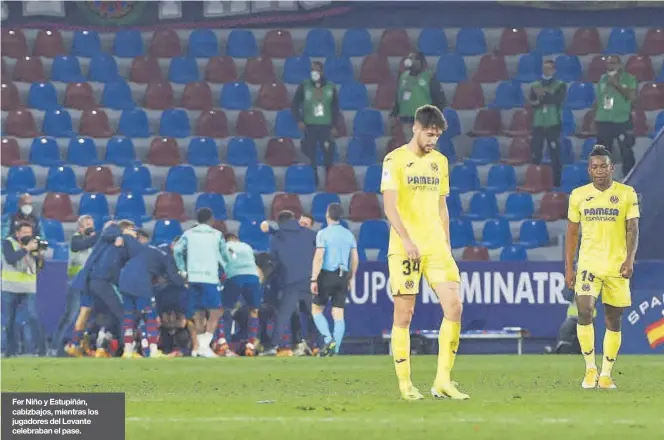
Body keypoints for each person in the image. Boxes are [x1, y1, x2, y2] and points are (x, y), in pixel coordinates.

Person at [381, 104, 468, 401]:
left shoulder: (440, 162)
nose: (433, 140)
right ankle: (405, 384)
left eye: (438, 136)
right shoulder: (395, 160)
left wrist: (446, 242)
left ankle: (443, 380)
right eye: (430, 134)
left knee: (454, 306)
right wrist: (406, 240)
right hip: (405, 247)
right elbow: (389, 207)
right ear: (416, 128)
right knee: (404, 315)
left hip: (435, 246)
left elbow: (442, 207)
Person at [564, 144, 640, 389]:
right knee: (584, 310)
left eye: (603, 166)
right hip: (588, 264)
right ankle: (590, 369)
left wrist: (629, 259)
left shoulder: (627, 193)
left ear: (612, 168)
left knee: (613, 319)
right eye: (595, 167)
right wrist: (569, 267)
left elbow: (633, 229)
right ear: (589, 169)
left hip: (616, 266)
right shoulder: (578, 195)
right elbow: (572, 233)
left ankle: (606, 374)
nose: (599, 171)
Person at [119, 230, 186, 358]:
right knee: (150, 316)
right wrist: (185, 283)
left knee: (129, 316)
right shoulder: (167, 257)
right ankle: (153, 351)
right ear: (173, 246)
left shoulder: (146, 248)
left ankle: (127, 351)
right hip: (141, 284)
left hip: (124, 282)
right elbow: (173, 277)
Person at [262, 210, 317, 356]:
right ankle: (324, 344)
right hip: (308, 279)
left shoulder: (277, 237)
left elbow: (274, 260)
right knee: (315, 315)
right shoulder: (310, 234)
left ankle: (273, 346)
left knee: (283, 316)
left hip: (289, 281)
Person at [174, 208, 226, 358]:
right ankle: (204, 345)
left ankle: (198, 348)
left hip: (193, 277)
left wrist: (183, 270)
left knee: (198, 312)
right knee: (216, 311)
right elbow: (223, 256)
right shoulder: (216, 234)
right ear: (211, 219)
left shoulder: (188, 234)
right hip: (209, 277)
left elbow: (177, 250)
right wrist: (227, 270)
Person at [87, 220, 142, 357]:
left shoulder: (115, 244)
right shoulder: (115, 236)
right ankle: (127, 350)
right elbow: (109, 230)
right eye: (133, 230)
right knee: (124, 314)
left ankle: (103, 347)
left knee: (109, 315)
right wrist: (122, 234)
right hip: (102, 282)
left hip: (98, 282)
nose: (135, 234)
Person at [310, 203, 359, 356]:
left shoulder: (323, 233)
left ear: (327, 215)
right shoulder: (348, 234)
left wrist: (313, 279)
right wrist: (351, 277)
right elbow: (355, 259)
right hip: (342, 275)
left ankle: (328, 339)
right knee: (338, 314)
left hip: (326, 275)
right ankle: (335, 350)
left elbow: (319, 257)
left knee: (317, 310)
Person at [49, 215, 98, 356]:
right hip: (76, 282)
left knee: (88, 316)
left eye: (91, 223)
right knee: (70, 315)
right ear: (80, 227)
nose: (90, 226)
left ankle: (83, 346)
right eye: (87, 224)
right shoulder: (76, 239)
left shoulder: (93, 242)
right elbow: (79, 246)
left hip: (90, 282)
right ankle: (54, 346)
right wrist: (99, 236)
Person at [291, 61, 340, 186]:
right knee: (310, 155)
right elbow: (295, 104)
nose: (314, 73)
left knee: (328, 155)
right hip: (310, 126)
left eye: (317, 70)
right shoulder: (304, 86)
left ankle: (330, 182)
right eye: (312, 70)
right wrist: (299, 120)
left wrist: (334, 125)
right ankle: (314, 181)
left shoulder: (330, 87)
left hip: (326, 126)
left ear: (322, 72)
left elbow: (335, 108)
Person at [1, 222, 47, 357]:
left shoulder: (35, 244)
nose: (28, 235)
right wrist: (27, 248)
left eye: (29, 232)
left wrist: (39, 254)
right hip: (10, 287)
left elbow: (40, 267)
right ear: (17, 233)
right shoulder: (8, 243)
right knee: (9, 321)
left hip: (28, 288)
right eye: (24, 233)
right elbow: (10, 258)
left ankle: (42, 350)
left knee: (33, 316)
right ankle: (11, 351)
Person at [594, 55, 638, 177]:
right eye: (608, 63)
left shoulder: (629, 79)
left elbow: (632, 97)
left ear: (620, 65)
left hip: (622, 120)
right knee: (602, 153)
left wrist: (616, 84)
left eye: (613, 63)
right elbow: (599, 100)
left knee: (626, 151)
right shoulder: (602, 79)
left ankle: (630, 178)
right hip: (604, 120)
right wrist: (593, 119)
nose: (611, 66)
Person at [221, 233, 262, 356]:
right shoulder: (247, 246)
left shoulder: (224, 246)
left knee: (224, 310)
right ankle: (251, 343)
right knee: (254, 311)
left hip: (234, 277)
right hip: (252, 278)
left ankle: (224, 343)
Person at [391, 52, 447, 141]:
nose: (413, 62)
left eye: (416, 59)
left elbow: (439, 98)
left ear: (421, 62)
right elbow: (399, 96)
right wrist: (394, 113)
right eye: (411, 59)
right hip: (407, 119)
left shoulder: (429, 77)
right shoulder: (403, 77)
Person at [528, 59, 567, 188]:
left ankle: (557, 183)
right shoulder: (535, 85)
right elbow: (533, 103)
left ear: (554, 70)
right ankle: (535, 182)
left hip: (553, 123)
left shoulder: (560, 85)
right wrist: (545, 98)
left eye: (549, 68)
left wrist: (543, 97)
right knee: (536, 154)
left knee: (555, 155)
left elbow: (557, 100)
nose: (546, 70)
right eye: (544, 68)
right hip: (538, 123)